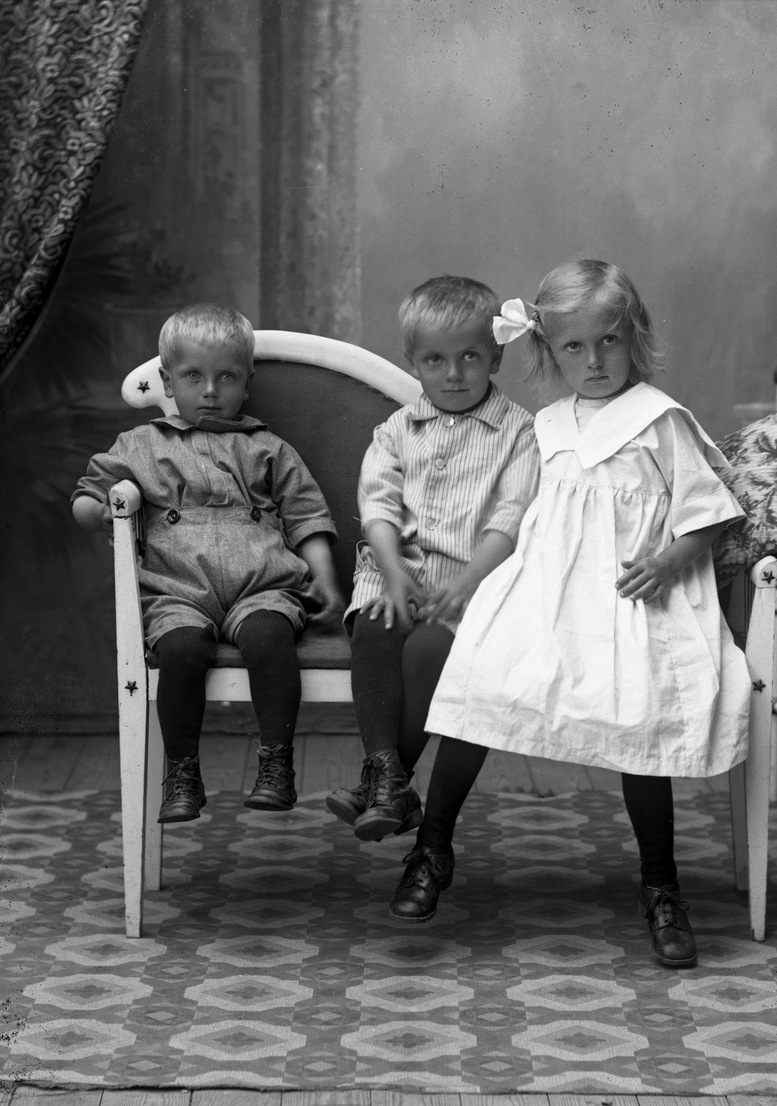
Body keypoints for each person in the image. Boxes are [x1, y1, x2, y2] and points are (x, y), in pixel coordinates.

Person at [388, 259, 751, 970]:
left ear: (634, 337)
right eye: (574, 346)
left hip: (628, 596)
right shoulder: (545, 426)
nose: (594, 360)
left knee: (638, 710)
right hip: (544, 595)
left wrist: (670, 561)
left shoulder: (659, 421)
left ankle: (660, 885)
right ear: (548, 351)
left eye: (608, 341)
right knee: (476, 685)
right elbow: (517, 513)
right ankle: (431, 848)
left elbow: (709, 513)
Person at [72, 303, 343, 822]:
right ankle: (182, 773)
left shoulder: (267, 448)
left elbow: (307, 516)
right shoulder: (141, 446)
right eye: (194, 376)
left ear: (248, 382)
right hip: (177, 591)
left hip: (261, 587)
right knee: (180, 650)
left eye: (227, 377)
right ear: (168, 381)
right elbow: (88, 493)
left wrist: (325, 577)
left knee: (270, 638)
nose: (211, 391)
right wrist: (101, 511)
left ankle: (276, 763)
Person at [326, 276, 540, 841]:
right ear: (413, 362)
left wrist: (468, 581)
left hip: (473, 582)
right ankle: (389, 780)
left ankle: (383, 785)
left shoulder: (519, 432)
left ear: (495, 357)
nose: (453, 374)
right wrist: (393, 573)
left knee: (428, 650)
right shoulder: (396, 430)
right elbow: (377, 506)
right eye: (434, 360)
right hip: (396, 572)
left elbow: (511, 517)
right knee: (375, 625)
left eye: (470, 357)